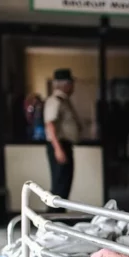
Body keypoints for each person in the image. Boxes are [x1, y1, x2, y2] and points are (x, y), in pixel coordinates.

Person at [43, 69, 81, 198]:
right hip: (60, 146)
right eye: (71, 83)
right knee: (59, 189)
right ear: (65, 84)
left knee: (64, 187)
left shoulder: (64, 100)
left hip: (64, 146)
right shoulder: (55, 100)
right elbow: (50, 124)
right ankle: (52, 217)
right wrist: (58, 149)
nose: (72, 87)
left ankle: (59, 216)